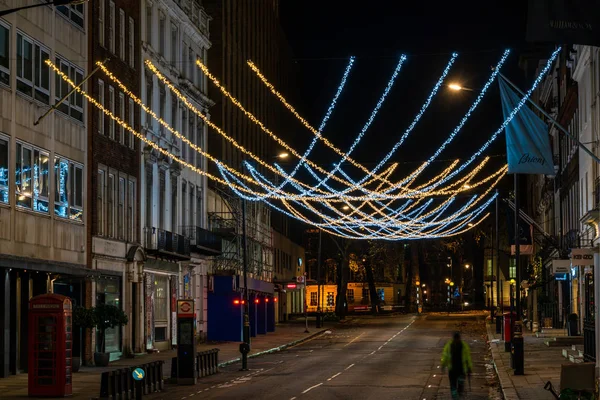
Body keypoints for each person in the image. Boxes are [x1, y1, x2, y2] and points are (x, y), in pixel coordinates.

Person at [441, 332, 473, 399]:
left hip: (458, 369)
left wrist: (443, 365)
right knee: (454, 385)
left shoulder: (451, 345)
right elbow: (445, 356)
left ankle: (457, 394)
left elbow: (468, 357)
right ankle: (456, 396)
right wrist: (443, 365)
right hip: (456, 369)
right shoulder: (462, 345)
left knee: (456, 384)